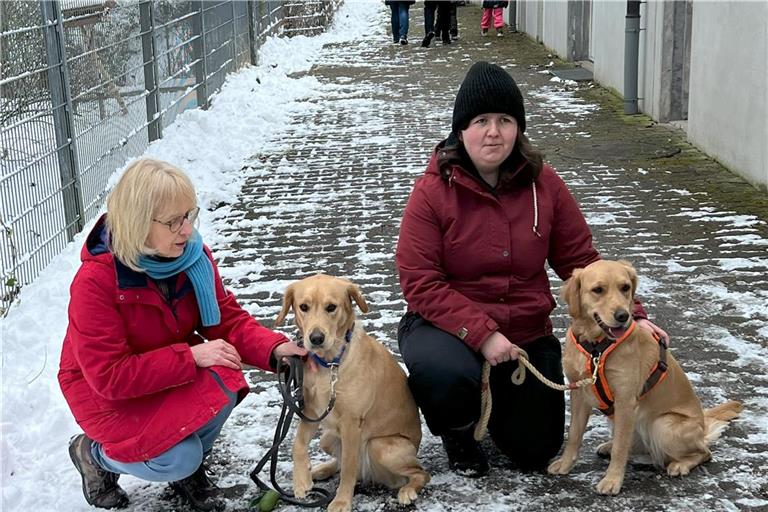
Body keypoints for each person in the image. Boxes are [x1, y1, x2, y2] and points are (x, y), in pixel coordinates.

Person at [395, 61, 669, 478]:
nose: (493, 132)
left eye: (505, 120)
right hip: (447, 329)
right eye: (481, 120)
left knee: (536, 448)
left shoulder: (546, 185)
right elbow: (420, 283)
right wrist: (483, 335)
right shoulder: (432, 192)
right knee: (444, 374)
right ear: (460, 129)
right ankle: (460, 433)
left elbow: (583, 262)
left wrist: (637, 319)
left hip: (523, 335)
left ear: (518, 128)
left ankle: (498, 404)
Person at [58, 159, 306, 511]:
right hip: (103, 391)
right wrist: (189, 356)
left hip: (163, 368)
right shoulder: (95, 283)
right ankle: (93, 454)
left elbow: (226, 321)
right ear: (138, 223)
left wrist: (276, 348)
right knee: (181, 455)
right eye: (174, 221)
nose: (187, 230)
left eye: (188, 215)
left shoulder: (191, 258)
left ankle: (180, 457)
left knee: (225, 376)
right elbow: (108, 375)